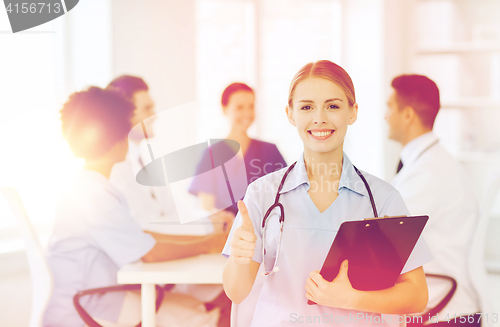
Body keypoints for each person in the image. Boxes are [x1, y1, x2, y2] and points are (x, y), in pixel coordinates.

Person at [221, 60, 432, 327]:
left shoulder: (383, 198)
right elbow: (236, 292)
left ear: (352, 112)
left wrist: (351, 299)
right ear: (291, 114)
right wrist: (240, 259)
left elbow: (417, 295)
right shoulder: (262, 194)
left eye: (333, 106)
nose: (319, 118)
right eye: (307, 107)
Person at [43, 86, 226, 327]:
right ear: (118, 136)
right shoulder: (92, 193)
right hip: (89, 306)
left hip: (98, 296)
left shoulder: (89, 185)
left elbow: (140, 238)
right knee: (215, 314)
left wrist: (209, 241)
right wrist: (209, 244)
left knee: (210, 301)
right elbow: (149, 252)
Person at [107, 75, 232, 327]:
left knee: (233, 295)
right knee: (229, 301)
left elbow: (170, 213)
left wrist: (209, 219)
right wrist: (209, 231)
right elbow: (146, 228)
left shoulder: (143, 161)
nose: (156, 115)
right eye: (147, 108)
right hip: (147, 278)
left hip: (164, 270)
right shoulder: (117, 171)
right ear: (125, 114)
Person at [385, 74, 482, 325]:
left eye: (390, 108)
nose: (385, 116)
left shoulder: (427, 173)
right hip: (447, 312)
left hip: (445, 315)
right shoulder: (431, 164)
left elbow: (387, 241)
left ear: (407, 115)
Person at [189, 83, 287, 220]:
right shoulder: (211, 155)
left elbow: (287, 197)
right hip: (227, 235)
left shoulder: (270, 152)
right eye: (239, 107)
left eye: (251, 106)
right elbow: (206, 209)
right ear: (225, 109)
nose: (247, 113)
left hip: (266, 232)